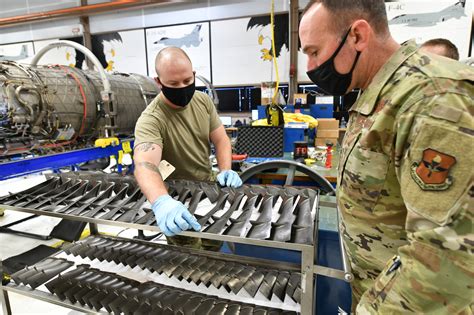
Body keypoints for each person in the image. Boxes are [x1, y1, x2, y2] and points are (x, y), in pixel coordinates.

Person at [300, 1, 473, 313]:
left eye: (314, 51)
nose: (311, 68)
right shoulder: (378, 94)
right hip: (381, 292)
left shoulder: (433, 99)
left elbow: (446, 256)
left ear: (357, 36)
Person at [133, 47, 242, 250]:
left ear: (193, 75)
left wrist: (226, 169)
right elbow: (145, 164)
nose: (182, 88)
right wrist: (162, 202)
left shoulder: (202, 101)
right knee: (191, 259)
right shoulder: (151, 119)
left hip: (208, 191)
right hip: (178, 200)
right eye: (173, 84)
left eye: (187, 81)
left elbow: (221, 140)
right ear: (158, 82)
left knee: (213, 247)